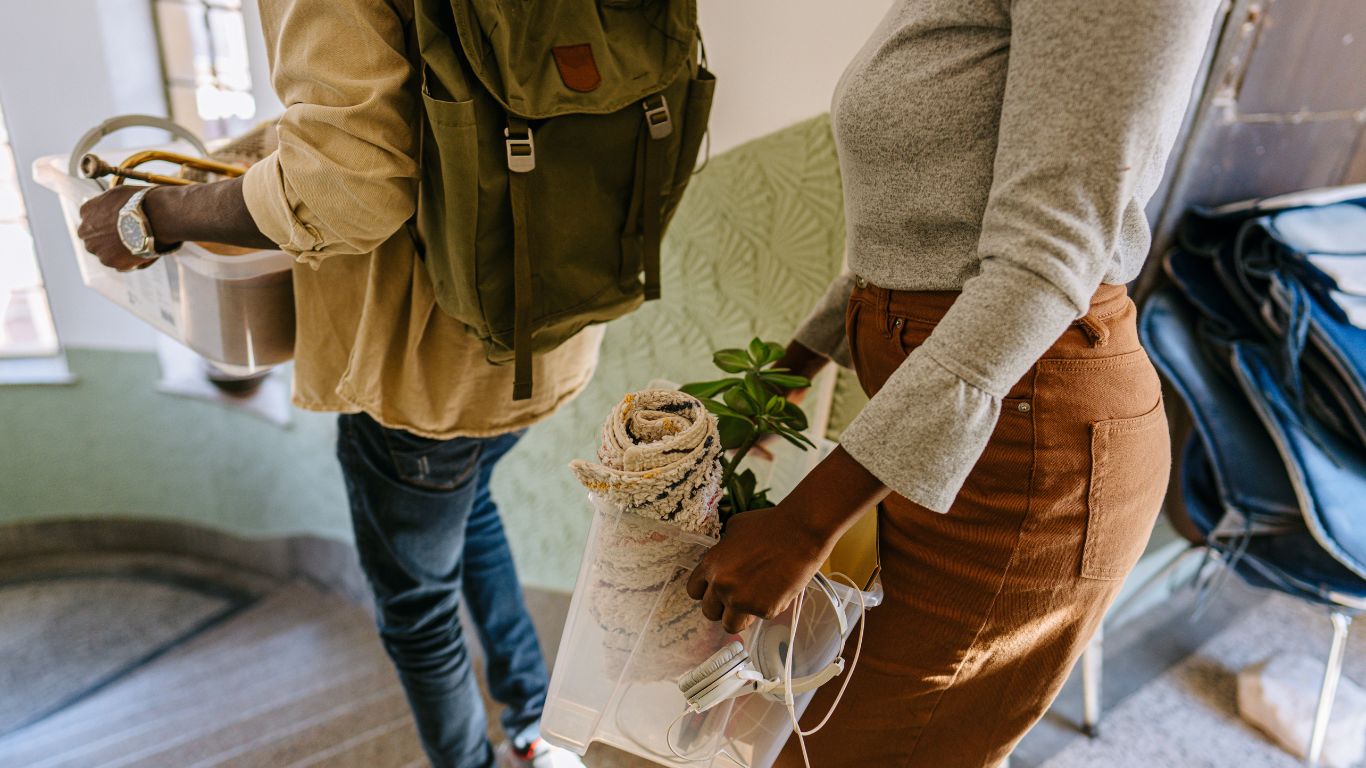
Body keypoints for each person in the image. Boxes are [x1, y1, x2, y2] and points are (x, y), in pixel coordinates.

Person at [685, 0, 1222, 765]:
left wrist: (807, 523)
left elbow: (1045, 259)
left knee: (855, 751)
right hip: (946, 428)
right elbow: (922, 233)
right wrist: (785, 374)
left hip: (1022, 447)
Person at [75, 1, 602, 766]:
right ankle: (535, 728)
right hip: (552, 330)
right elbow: (411, 114)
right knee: (469, 499)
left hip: (426, 369)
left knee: (420, 611)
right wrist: (209, 170)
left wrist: (152, 214)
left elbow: (348, 185)